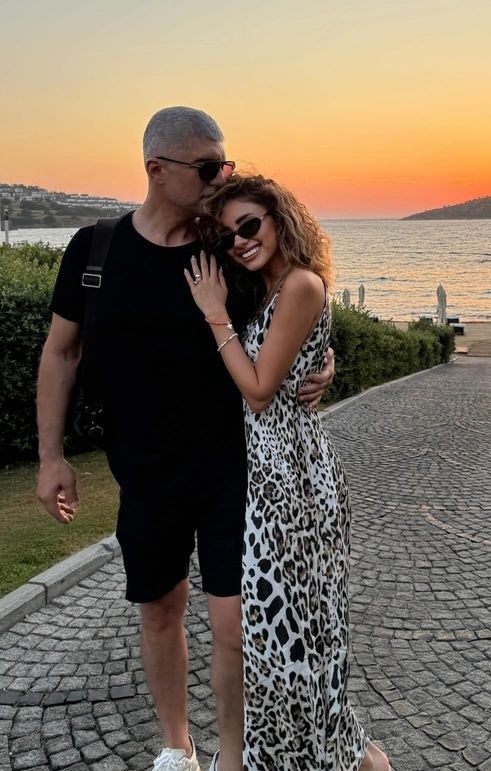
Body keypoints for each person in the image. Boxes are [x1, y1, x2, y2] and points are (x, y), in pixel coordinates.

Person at [35, 107, 332, 771]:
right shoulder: (95, 250)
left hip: (234, 470)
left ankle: (233, 756)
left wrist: (323, 362)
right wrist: (51, 456)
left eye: (225, 164)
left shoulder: (227, 250)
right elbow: (61, 352)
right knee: (159, 609)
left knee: (234, 626)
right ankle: (177, 747)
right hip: (143, 472)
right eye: (208, 167)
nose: (221, 177)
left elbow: (293, 306)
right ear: (157, 169)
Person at [186, 175, 390, 771]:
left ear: (280, 219)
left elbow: (257, 391)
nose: (240, 241)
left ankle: (351, 758)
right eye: (227, 236)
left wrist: (213, 313)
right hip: (270, 477)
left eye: (250, 225)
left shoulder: (299, 284)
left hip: (292, 480)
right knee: (285, 636)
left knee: (296, 634)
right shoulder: (269, 290)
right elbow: (284, 367)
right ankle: (337, 756)